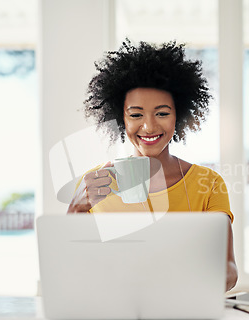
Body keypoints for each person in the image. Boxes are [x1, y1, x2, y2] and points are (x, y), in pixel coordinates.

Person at [67, 40, 238, 291]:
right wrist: (76, 210)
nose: (149, 127)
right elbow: (70, 268)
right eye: (136, 115)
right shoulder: (94, 184)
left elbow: (229, 271)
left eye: (162, 113)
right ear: (120, 118)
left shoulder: (208, 183)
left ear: (178, 115)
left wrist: (175, 281)